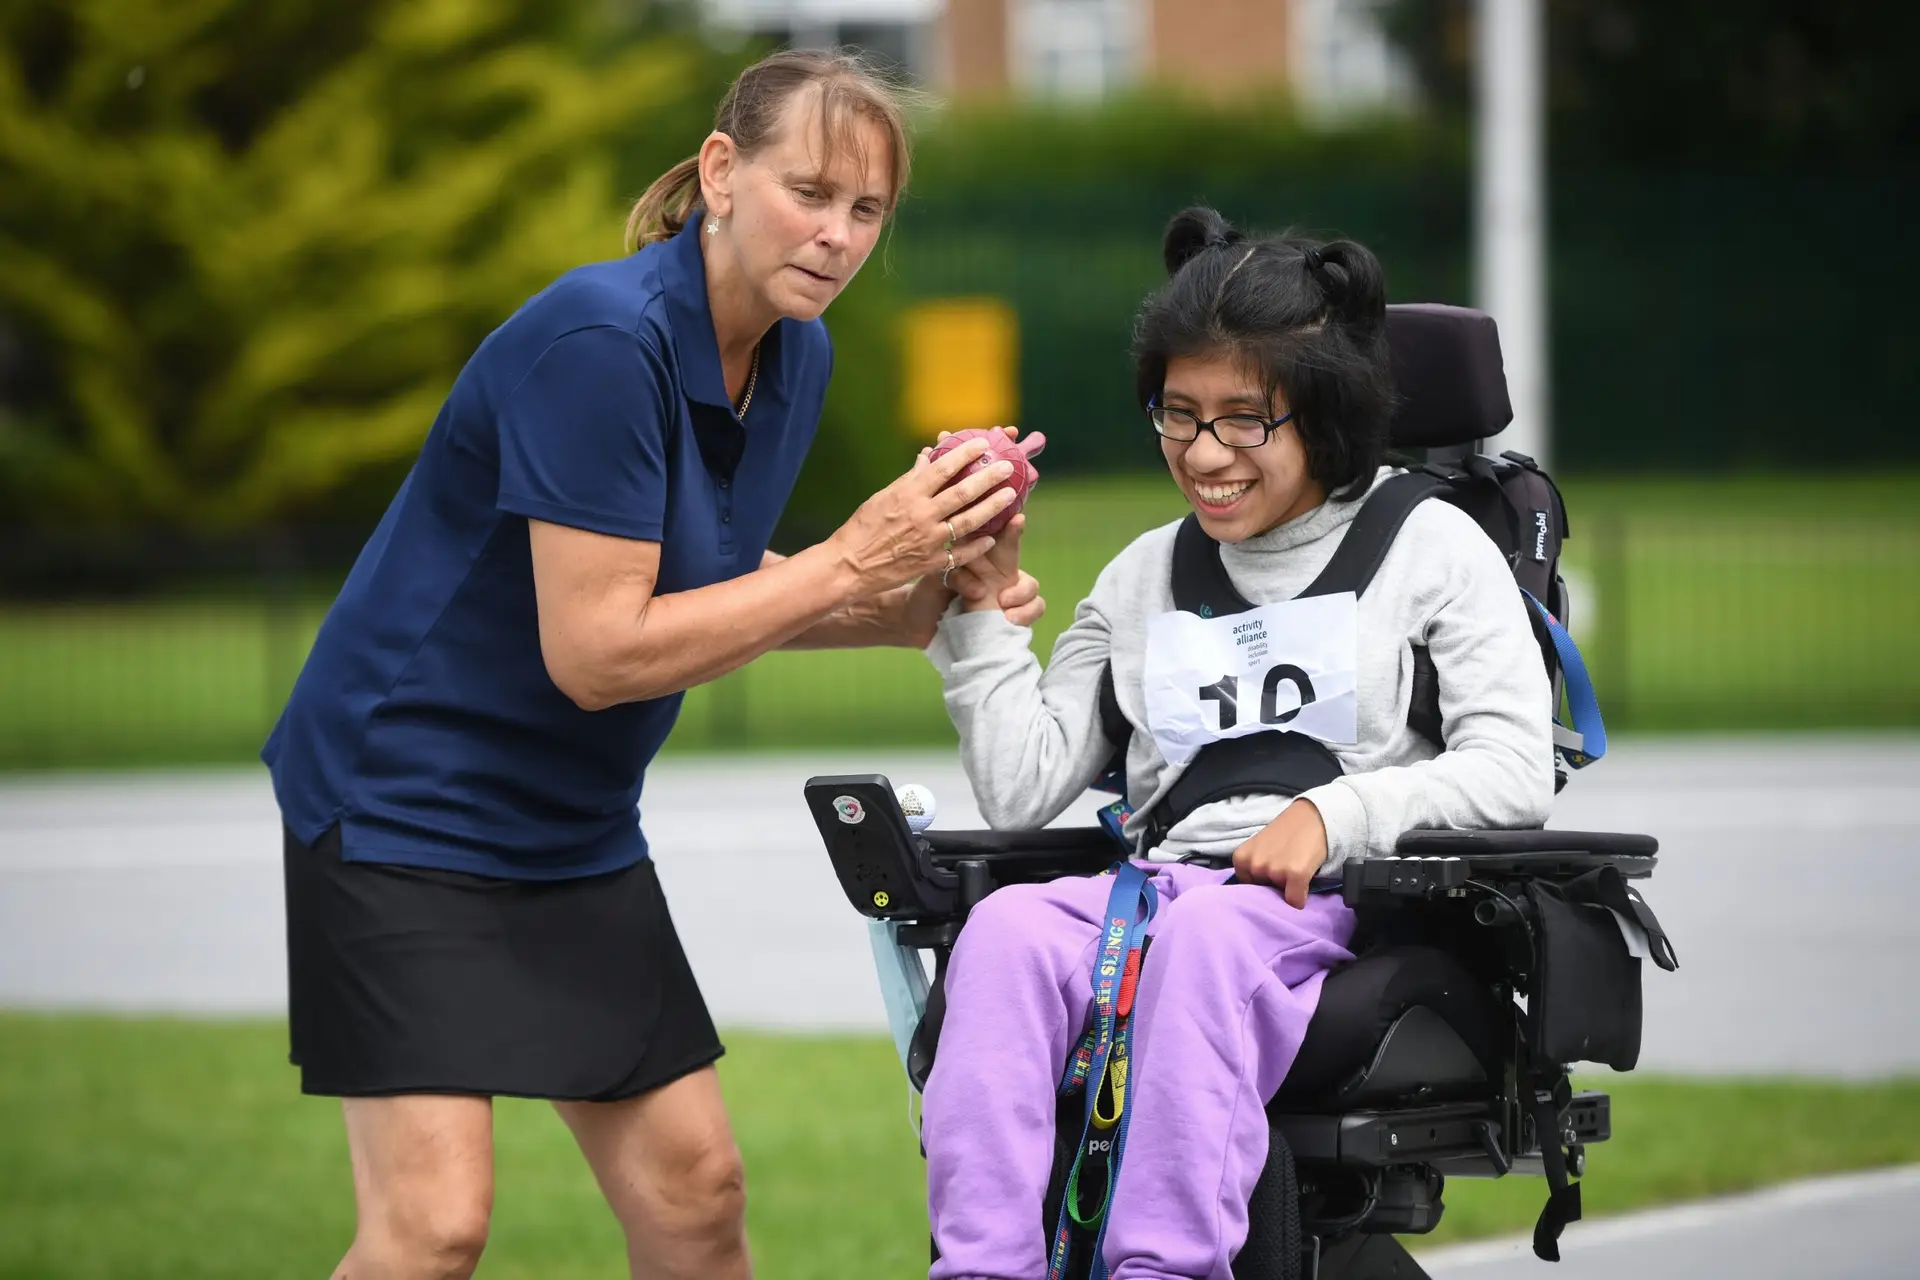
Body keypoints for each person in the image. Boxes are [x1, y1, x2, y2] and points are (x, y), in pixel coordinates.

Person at [265, 49, 1036, 1280]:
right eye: (812, 191)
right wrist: (851, 558)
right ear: (722, 174)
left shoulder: (795, 354)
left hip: (569, 823)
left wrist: (929, 598)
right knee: (432, 1228)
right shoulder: (598, 340)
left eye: (866, 210)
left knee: (695, 1194)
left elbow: (713, 585)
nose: (837, 236)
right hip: (402, 800)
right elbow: (600, 652)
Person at [917, 207, 1555, 1280]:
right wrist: (978, 613)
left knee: (1210, 947)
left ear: (1329, 416)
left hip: (1342, 900)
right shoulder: (1141, 574)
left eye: (1245, 420)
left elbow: (1513, 765)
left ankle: (1165, 1267)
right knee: (1007, 933)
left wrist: (1330, 814)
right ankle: (982, 1266)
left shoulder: (1432, 544)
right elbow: (1023, 784)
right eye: (1178, 414)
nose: (1203, 454)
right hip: (1154, 886)